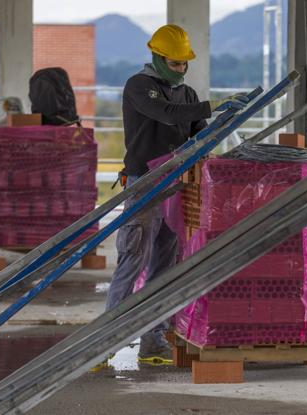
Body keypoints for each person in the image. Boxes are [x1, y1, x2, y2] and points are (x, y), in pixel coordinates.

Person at [106, 24, 247, 364]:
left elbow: (197, 132)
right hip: (144, 182)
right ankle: (103, 339)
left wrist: (218, 125)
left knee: (164, 263)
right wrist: (211, 107)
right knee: (132, 256)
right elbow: (165, 114)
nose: (181, 69)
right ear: (157, 57)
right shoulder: (139, 86)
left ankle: (153, 340)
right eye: (174, 63)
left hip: (175, 185)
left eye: (184, 64)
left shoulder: (186, 94)